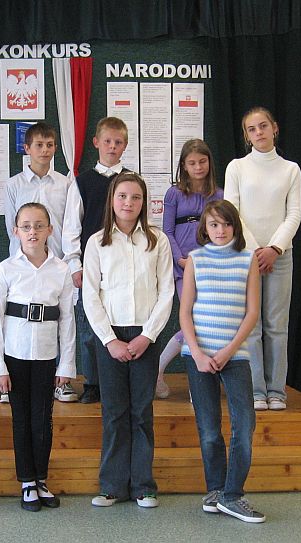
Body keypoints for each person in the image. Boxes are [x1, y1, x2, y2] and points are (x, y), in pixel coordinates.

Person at [83, 172, 174, 508]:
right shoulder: (97, 242)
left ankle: (143, 486)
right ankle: (111, 486)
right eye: (122, 196)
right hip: (110, 337)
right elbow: (90, 295)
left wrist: (147, 336)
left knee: (141, 412)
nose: (128, 203)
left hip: (145, 337)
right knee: (114, 413)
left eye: (135, 197)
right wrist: (110, 340)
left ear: (144, 203)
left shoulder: (157, 240)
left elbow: (167, 292)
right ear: (112, 200)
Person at [179, 199, 264, 523]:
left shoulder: (247, 260)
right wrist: (198, 353)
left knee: (244, 424)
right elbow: (185, 313)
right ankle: (216, 490)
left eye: (226, 224)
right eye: (214, 224)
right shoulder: (195, 260)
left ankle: (233, 495)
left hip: (235, 356)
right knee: (209, 429)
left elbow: (252, 312)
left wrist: (228, 350)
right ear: (205, 227)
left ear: (235, 227)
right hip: (198, 358)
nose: (220, 230)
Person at [0, 202, 76, 512]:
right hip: (14, 355)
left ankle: (41, 478)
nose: (33, 232)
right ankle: (26, 481)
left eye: (39, 226)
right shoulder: (6, 269)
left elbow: (67, 320)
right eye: (26, 226)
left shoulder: (61, 270)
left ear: (50, 230)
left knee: (43, 419)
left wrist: (66, 363)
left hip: (46, 355)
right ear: (16, 231)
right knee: (21, 419)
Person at [224, 107, 301, 411]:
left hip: (280, 256)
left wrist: (274, 249)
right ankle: (256, 390)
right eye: (252, 129)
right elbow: (232, 211)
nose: (258, 132)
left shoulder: (290, 169)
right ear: (246, 135)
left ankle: (276, 391)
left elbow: (293, 214)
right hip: (247, 256)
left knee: (277, 325)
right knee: (251, 324)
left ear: (274, 128)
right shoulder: (237, 167)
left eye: (263, 126)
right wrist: (256, 250)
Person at [4, 122, 76, 404]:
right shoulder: (14, 184)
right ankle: (12, 380)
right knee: (19, 319)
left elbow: (69, 225)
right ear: (27, 148)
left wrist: (67, 260)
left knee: (57, 320)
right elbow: (12, 228)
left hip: (56, 264)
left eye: (49, 145)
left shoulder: (66, 184)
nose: (44, 150)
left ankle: (60, 380)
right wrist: (19, 261)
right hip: (22, 266)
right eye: (39, 145)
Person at [62, 117, 130, 404]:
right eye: (107, 141)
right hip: (90, 267)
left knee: (121, 322)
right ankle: (92, 383)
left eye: (118, 142)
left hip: (124, 265)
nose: (112, 146)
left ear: (125, 145)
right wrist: (74, 265)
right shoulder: (82, 183)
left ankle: (119, 382)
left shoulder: (132, 181)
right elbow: (71, 228)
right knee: (89, 328)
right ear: (96, 143)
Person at [157, 139, 223, 399]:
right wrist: (180, 259)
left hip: (209, 266)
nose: (198, 167)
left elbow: (222, 233)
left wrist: (209, 260)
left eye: (202, 162)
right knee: (191, 320)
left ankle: (197, 383)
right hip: (183, 266)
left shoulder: (218, 194)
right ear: (183, 165)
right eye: (192, 163)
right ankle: (160, 369)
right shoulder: (174, 194)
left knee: (202, 323)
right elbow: (167, 231)